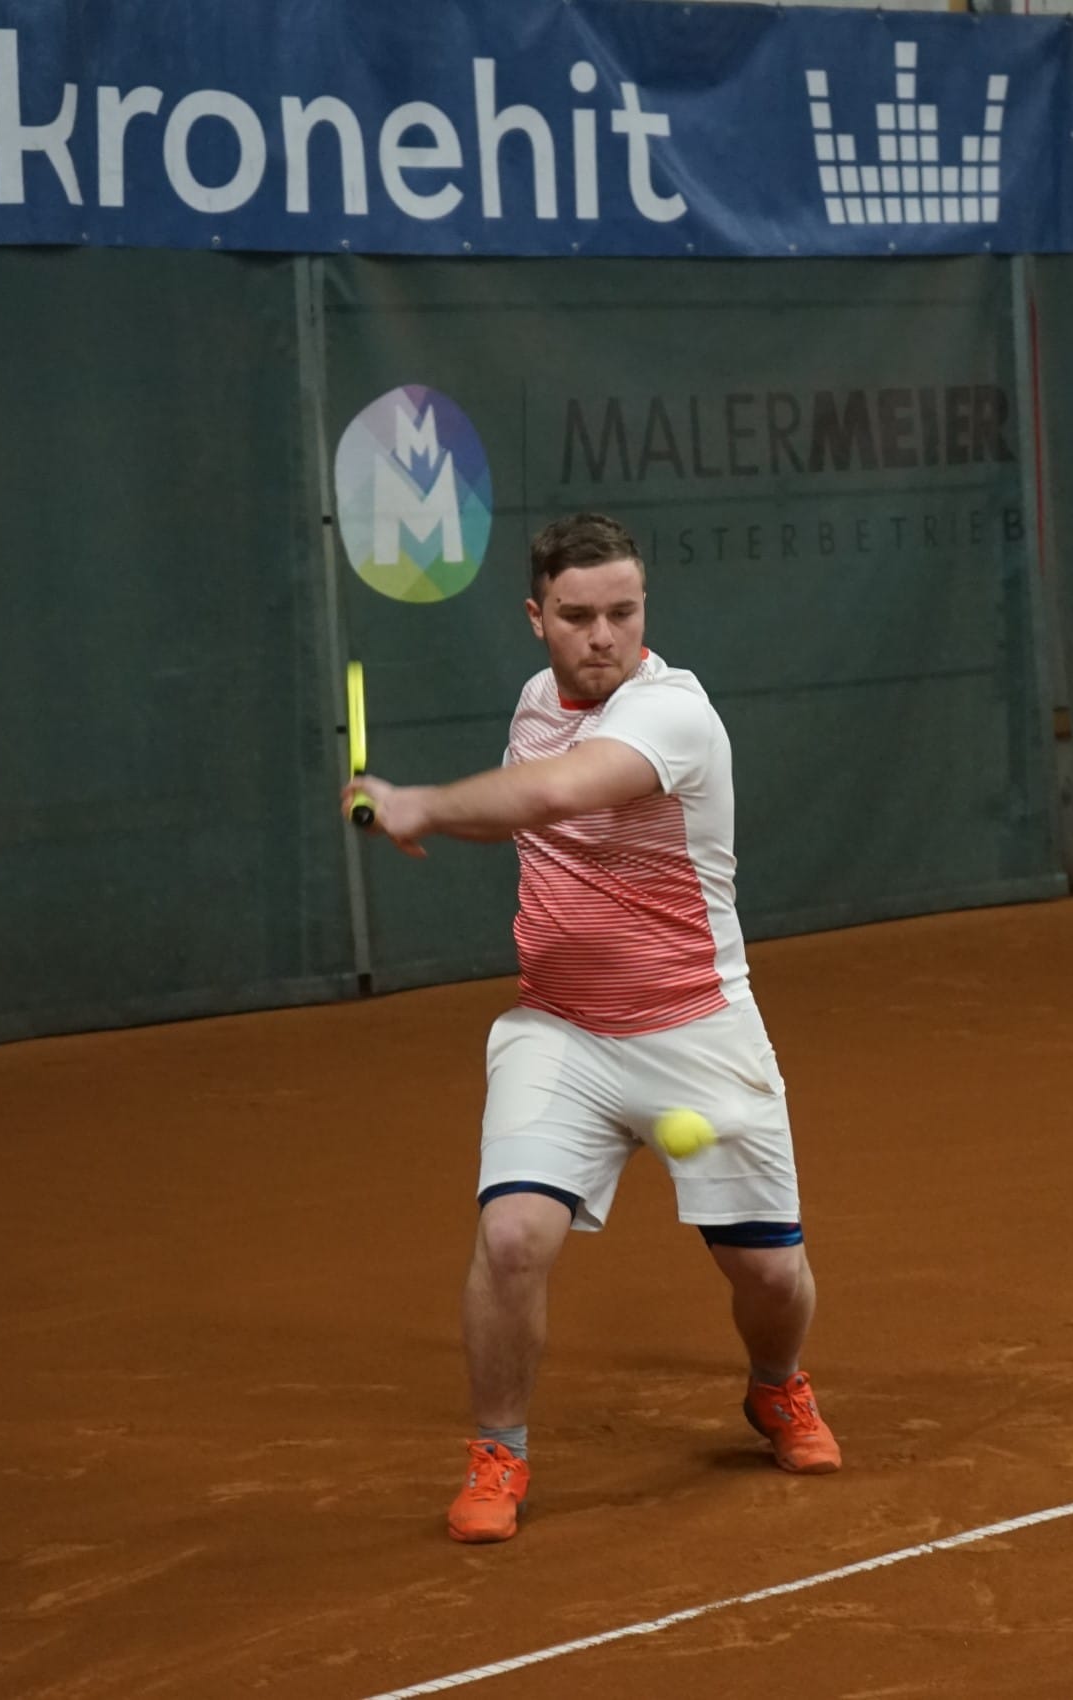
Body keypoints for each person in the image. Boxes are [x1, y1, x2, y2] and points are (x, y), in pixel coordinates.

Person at [344, 511, 839, 1545]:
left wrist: (419, 804)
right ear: (537, 617)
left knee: (769, 1276)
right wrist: (436, 807)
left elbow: (557, 791)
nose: (604, 635)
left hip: (699, 1029)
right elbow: (528, 799)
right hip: (560, 1030)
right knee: (511, 1237)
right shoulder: (535, 702)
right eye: (578, 616)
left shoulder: (673, 713)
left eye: (624, 611)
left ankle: (776, 1383)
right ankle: (499, 1448)